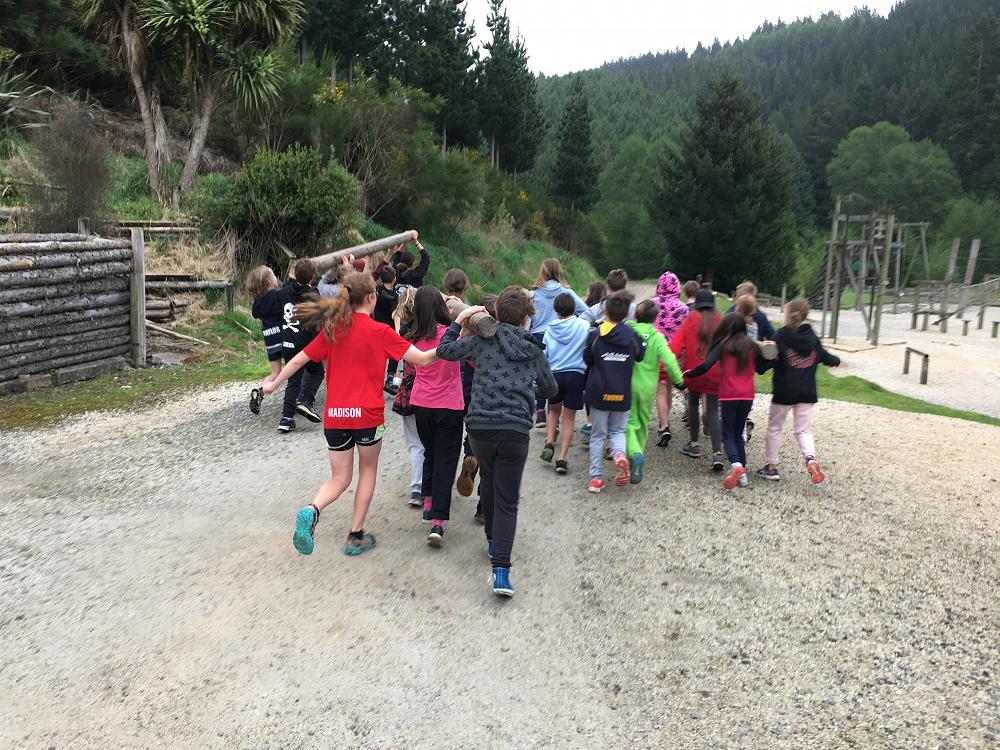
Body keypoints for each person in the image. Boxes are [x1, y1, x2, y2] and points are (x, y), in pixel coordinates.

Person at [261, 272, 437, 557]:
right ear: (371, 297)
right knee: (367, 471)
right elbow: (424, 358)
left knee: (340, 478)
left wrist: (273, 384)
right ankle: (355, 535)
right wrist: (456, 336)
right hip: (368, 417)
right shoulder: (381, 332)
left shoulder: (333, 330)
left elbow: (298, 360)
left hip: (336, 416)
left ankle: (312, 509)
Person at [437, 286, 557, 597]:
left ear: (497, 314)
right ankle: (501, 572)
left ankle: (492, 539)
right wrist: (527, 389)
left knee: (490, 481)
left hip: (480, 429)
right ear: (526, 319)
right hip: (514, 431)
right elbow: (550, 389)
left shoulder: (481, 342)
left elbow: (444, 351)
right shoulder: (533, 350)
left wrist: (459, 320)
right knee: (507, 499)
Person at [756, 299, 841, 484]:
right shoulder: (812, 337)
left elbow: (765, 364)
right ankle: (810, 459)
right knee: (802, 430)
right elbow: (823, 355)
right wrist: (835, 360)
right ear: (805, 316)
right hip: (806, 392)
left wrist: (757, 360)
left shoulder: (780, 337)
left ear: (788, 314)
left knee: (774, 429)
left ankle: (771, 467)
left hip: (784, 392)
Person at [407, 286, 465, 548]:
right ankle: (438, 521)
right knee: (446, 461)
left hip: (421, 404)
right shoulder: (451, 336)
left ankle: (429, 504)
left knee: (430, 453)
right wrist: (458, 305)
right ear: (442, 308)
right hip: (449, 405)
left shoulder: (413, 337)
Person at [684, 313, 760, 490]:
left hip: (729, 394)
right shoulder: (752, 346)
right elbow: (763, 366)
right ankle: (742, 476)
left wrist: (689, 374)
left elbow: (705, 366)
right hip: (747, 395)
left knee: (728, 435)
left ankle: (736, 465)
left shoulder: (723, 346)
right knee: (738, 433)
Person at [584, 291, 646, 493]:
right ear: (627, 313)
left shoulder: (595, 335)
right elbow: (640, 356)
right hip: (622, 393)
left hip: (599, 393)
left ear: (605, 311)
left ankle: (596, 479)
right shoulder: (632, 336)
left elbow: (587, 359)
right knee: (618, 431)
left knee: (598, 436)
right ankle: (619, 455)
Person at [626, 300, 685, 484]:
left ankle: (633, 453)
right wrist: (679, 381)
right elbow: (669, 360)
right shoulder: (657, 337)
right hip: (648, 387)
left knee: (629, 422)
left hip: (628, 383)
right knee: (643, 422)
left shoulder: (628, 331)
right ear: (655, 319)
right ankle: (638, 453)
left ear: (636, 315)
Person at [528, 259, 588, 426]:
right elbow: (584, 309)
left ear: (542, 272)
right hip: (560, 331)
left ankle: (541, 412)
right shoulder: (566, 292)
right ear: (559, 271)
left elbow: (528, 315)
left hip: (538, 335)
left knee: (541, 373)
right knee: (557, 370)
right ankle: (555, 414)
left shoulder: (533, 294)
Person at [670, 290, 724, 471]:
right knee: (713, 411)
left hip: (693, 372)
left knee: (693, 404)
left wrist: (666, 367)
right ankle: (717, 453)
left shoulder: (690, 319)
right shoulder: (720, 320)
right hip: (715, 371)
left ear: (696, 305)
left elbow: (675, 347)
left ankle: (694, 444)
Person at [541, 293, 590, 474]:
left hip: (555, 375)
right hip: (576, 375)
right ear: (574, 308)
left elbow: (545, 355)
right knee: (569, 418)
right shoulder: (583, 326)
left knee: (553, 411)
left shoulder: (549, 330)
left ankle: (549, 441)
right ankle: (562, 458)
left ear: (555, 310)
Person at [276, 259, 324, 432]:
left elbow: (286, 292)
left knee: (293, 380)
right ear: (312, 277)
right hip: (305, 344)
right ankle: (305, 401)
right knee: (317, 371)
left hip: (287, 342)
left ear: (294, 274)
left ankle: (286, 418)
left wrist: (292, 278)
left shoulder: (284, 292)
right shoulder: (313, 294)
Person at [390, 287, 424, 506]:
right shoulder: (432, 331)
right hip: (431, 390)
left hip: (409, 391)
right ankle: (429, 484)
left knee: (414, 441)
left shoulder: (403, 334)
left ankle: (417, 487)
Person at [652, 271, 691, 448]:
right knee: (668, 387)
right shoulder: (683, 308)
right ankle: (665, 420)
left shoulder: (652, 305)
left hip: (656, 352)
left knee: (660, 389)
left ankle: (664, 425)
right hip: (675, 354)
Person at [246, 265, 283, 414]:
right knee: (294, 369)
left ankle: (260, 391)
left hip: (270, 340)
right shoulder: (278, 296)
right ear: (269, 281)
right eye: (273, 274)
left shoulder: (257, 305)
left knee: (275, 372)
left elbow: (255, 314)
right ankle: (297, 399)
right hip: (284, 337)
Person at [372, 265, 401, 393]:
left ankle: (374, 380)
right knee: (395, 353)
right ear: (394, 279)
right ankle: (389, 380)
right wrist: (398, 331)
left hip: (375, 328)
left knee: (376, 356)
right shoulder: (395, 296)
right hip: (389, 330)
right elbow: (396, 315)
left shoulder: (377, 291)